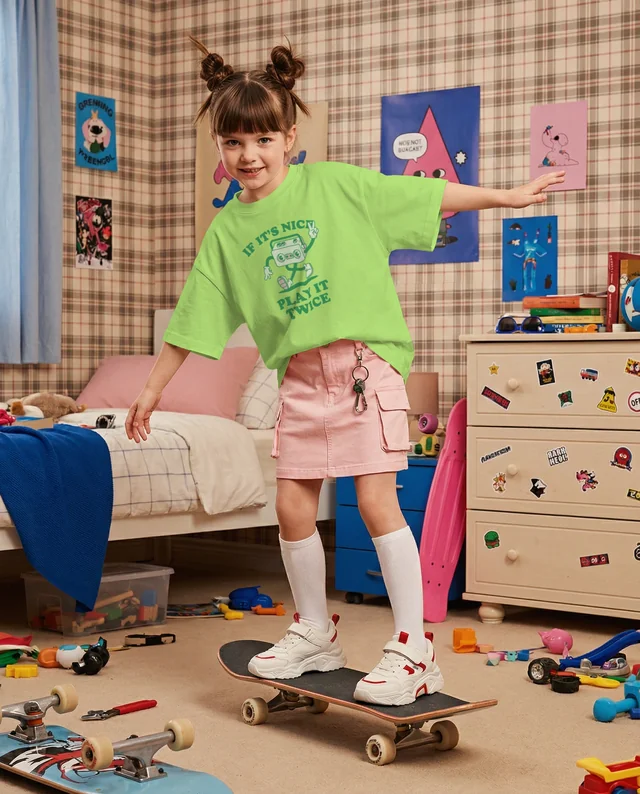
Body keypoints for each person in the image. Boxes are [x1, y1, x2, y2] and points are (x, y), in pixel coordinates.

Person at [125, 36, 565, 707]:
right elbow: (192, 320)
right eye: (234, 142)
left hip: (363, 370)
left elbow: (425, 193)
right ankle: (312, 631)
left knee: (374, 498)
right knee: (292, 502)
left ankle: (415, 650)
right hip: (298, 381)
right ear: (220, 150)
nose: (249, 155)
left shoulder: (333, 185)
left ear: (290, 139)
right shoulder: (227, 233)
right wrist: (150, 394)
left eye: (263, 139)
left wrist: (507, 196)